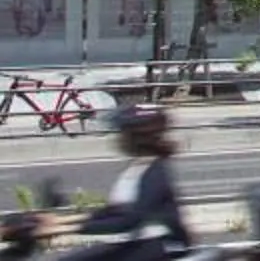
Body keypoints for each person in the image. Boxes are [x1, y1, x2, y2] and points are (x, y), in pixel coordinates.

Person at [66, 102, 189, 261]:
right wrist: (60, 221)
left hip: (156, 246)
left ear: (136, 137)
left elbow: (129, 220)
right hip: (138, 243)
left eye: (121, 133)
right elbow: (111, 212)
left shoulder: (154, 172)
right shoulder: (138, 168)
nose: (117, 139)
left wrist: (68, 228)